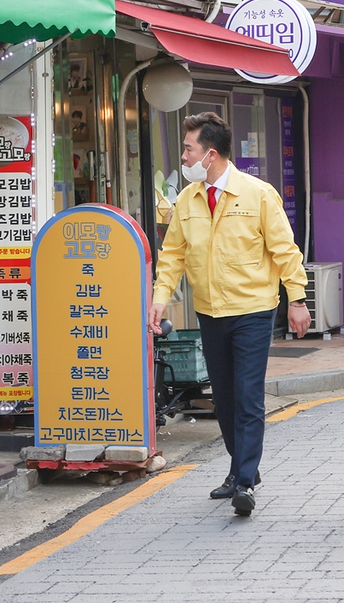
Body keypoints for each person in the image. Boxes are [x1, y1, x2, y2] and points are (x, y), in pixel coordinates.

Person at [147, 112, 310, 517]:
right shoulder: (187, 200)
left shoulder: (258, 194)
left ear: (211, 154)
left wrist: (297, 298)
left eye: (188, 149)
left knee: (248, 396)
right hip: (210, 313)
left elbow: (284, 250)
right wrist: (160, 297)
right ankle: (240, 470)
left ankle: (246, 481)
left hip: (253, 311)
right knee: (224, 398)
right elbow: (173, 256)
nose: (183, 157)